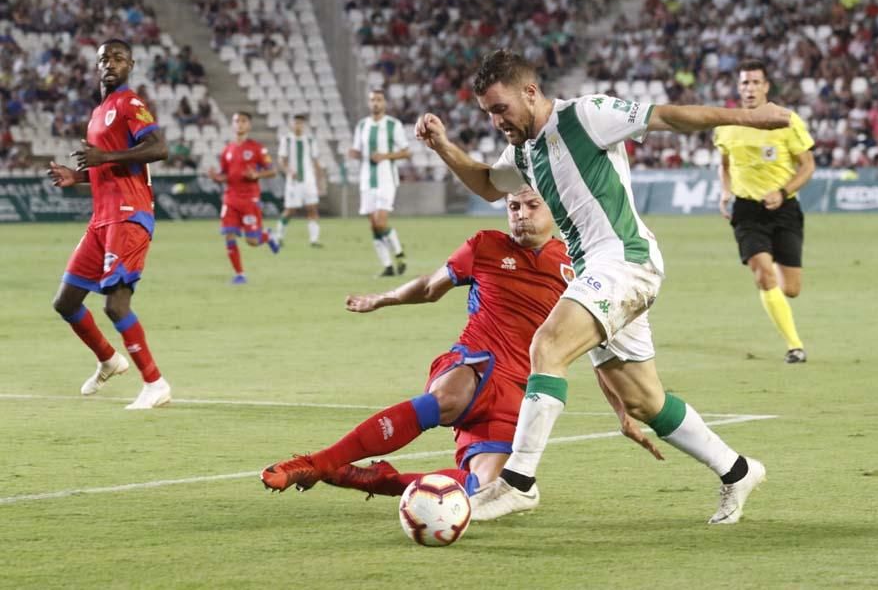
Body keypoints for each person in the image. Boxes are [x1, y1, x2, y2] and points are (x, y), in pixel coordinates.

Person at [415, 49, 790, 524]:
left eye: (501, 108)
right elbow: (490, 185)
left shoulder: (586, 115)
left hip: (625, 261)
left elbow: (668, 117)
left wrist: (752, 118)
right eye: (488, 113)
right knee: (644, 400)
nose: (496, 121)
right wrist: (444, 147)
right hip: (595, 272)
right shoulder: (523, 151)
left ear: (530, 92)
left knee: (547, 345)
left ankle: (518, 482)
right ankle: (738, 471)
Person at [260, 188, 663, 496]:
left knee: (488, 487)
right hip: (477, 361)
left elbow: (597, 347)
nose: (521, 215)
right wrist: (383, 299)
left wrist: (622, 413)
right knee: (449, 397)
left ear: (553, 210)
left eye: (531, 206)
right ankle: (316, 462)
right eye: (513, 208)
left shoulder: (577, 269)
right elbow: (430, 286)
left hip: (523, 390)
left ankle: (376, 479)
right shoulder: (485, 246)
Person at [47, 38, 172, 410]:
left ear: (131, 64)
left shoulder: (130, 104)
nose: (110, 63)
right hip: (101, 219)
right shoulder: (99, 111)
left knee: (116, 305)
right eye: (104, 58)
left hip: (129, 214)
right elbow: (109, 167)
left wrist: (105, 155)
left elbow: (158, 148)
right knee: (66, 302)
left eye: (118, 58)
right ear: (96, 65)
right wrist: (78, 176)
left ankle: (155, 383)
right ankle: (108, 359)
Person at [714, 59, 816, 363]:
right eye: (745, 82)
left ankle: (778, 303)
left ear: (766, 87)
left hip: (785, 209)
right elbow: (724, 164)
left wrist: (783, 192)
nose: (750, 88)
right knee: (763, 273)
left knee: (792, 288)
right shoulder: (726, 124)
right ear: (738, 87)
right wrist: (725, 192)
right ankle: (794, 345)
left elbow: (808, 165)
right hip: (746, 210)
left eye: (756, 82)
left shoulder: (786, 120)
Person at [208, 112, 280, 284]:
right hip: (230, 198)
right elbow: (226, 174)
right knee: (228, 234)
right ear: (232, 125)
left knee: (252, 241)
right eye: (236, 121)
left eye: (243, 121)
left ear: (249, 125)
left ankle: (267, 236)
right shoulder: (227, 150)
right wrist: (218, 177)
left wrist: (257, 174)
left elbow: (273, 171)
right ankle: (240, 274)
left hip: (249, 198)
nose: (239, 124)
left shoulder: (257, 148)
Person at [350, 88, 411, 276]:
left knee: (381, 221)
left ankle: (399, 251)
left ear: (384, 103)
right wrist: (355, 154)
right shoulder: (362, 126)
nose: (375, 103)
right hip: (367, 180)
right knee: (373, 225)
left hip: (386, 180)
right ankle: (387, 265)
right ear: (369, 104)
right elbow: (358, 150)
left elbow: (406, 152)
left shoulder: (394, 125)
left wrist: (385, 156)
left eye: (379, 100)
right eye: (372, 100)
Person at [273, 114, 324, 247]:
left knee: (312, 209)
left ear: (304, 125)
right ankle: (278, 236)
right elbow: (281, 160)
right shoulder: (287, 140)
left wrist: (319, 182)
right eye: (296, 123)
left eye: (300, 123)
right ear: (292, 124)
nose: (298, 126)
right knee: (290, 210)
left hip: (309, 181)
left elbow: (316, 161)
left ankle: (314, 240)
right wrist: (288, 171)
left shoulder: (310, 140)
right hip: (293, 182)